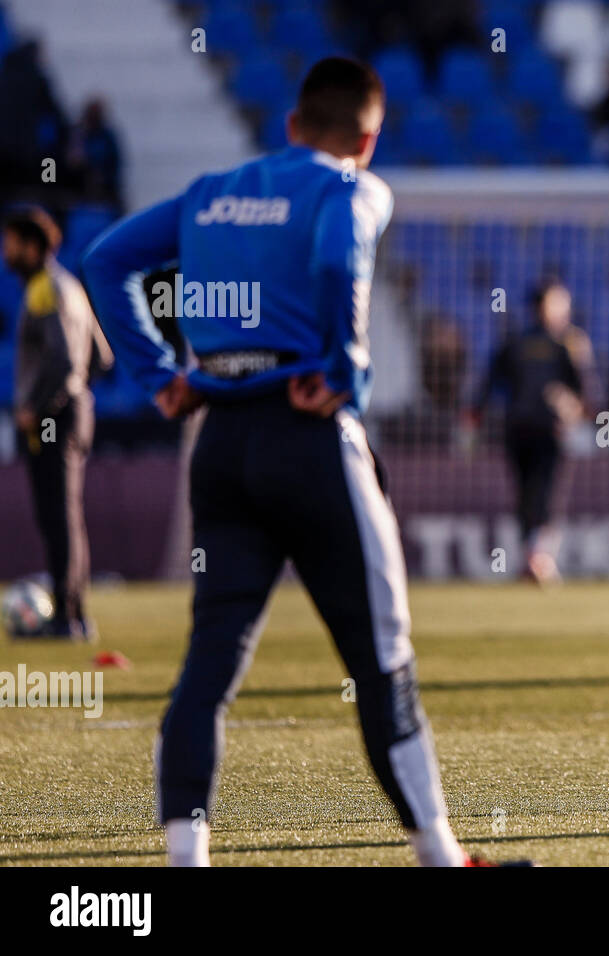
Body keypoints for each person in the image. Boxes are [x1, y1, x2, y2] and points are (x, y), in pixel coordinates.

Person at [82, 57, 512, 867]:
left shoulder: (211, 193)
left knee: (211, 658)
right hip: (310, 439)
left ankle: (185, 856)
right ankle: (441, 856)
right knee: (382, 654)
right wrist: (346, 363)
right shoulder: (353, 187)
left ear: (289, 125)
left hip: (218, 445)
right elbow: (337, 257)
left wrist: (159, 377)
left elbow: (106, 259)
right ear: (368, 137)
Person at [3, 205, 111, 640]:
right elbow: (101, 357)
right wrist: (79, 392)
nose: (6, 252)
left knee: (58, 518)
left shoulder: (46, 290)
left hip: (54, 416)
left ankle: (67, 618)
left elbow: (64, 358)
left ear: (32, 246)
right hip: (75, 410)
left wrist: (36, 407)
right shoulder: (72, 287)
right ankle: (73, 614)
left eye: (11, 243)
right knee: (64, 515)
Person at [466, 277, 592, 584]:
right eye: (558, 301)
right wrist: (474, 414)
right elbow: (491, 380)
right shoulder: (555, 343)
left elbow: (582, 391)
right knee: (533, 493)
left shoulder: (555, 342)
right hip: (529, 429)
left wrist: (574, 409)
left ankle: (537, 558)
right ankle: (536, 557)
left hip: (540, 429)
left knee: (540, 493)